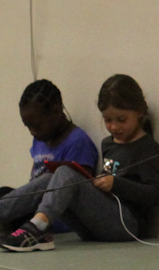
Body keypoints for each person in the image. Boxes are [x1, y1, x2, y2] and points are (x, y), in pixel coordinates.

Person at [0, 80, 115, 250]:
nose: (32, 132)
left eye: (36, 125)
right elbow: (33, 183)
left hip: (57, 216)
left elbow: (77, 190)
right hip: (38, 205)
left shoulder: (77, 142)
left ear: (56, 111)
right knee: (4, 192)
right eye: (28, 126)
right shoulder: (40, 139)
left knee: (50, 179)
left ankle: (32, 227)